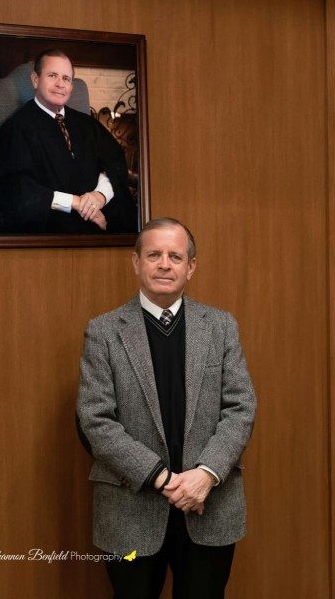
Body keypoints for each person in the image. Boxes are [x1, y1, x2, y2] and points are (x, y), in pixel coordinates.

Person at [76, 217, 257, 598]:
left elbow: (241, 407)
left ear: (190, 267)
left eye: (175, 256)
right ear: (136, 262)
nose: (164, 264)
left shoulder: (221, 326)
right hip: (130, 508)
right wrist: (163, 478)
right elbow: (95, 421)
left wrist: (205, 474)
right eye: (154, 254)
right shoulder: (104, 331)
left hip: (211, 505)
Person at [0, 49, 137, 235]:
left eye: (66, 78)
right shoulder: (16, 129)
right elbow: (18, 190)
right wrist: (76, 203)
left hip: (102, 215)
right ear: (35, 80)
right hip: (52, 226)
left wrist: (99, 196)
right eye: (52, 76)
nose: (60, 84)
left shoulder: (88, 124)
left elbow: (114, 163)